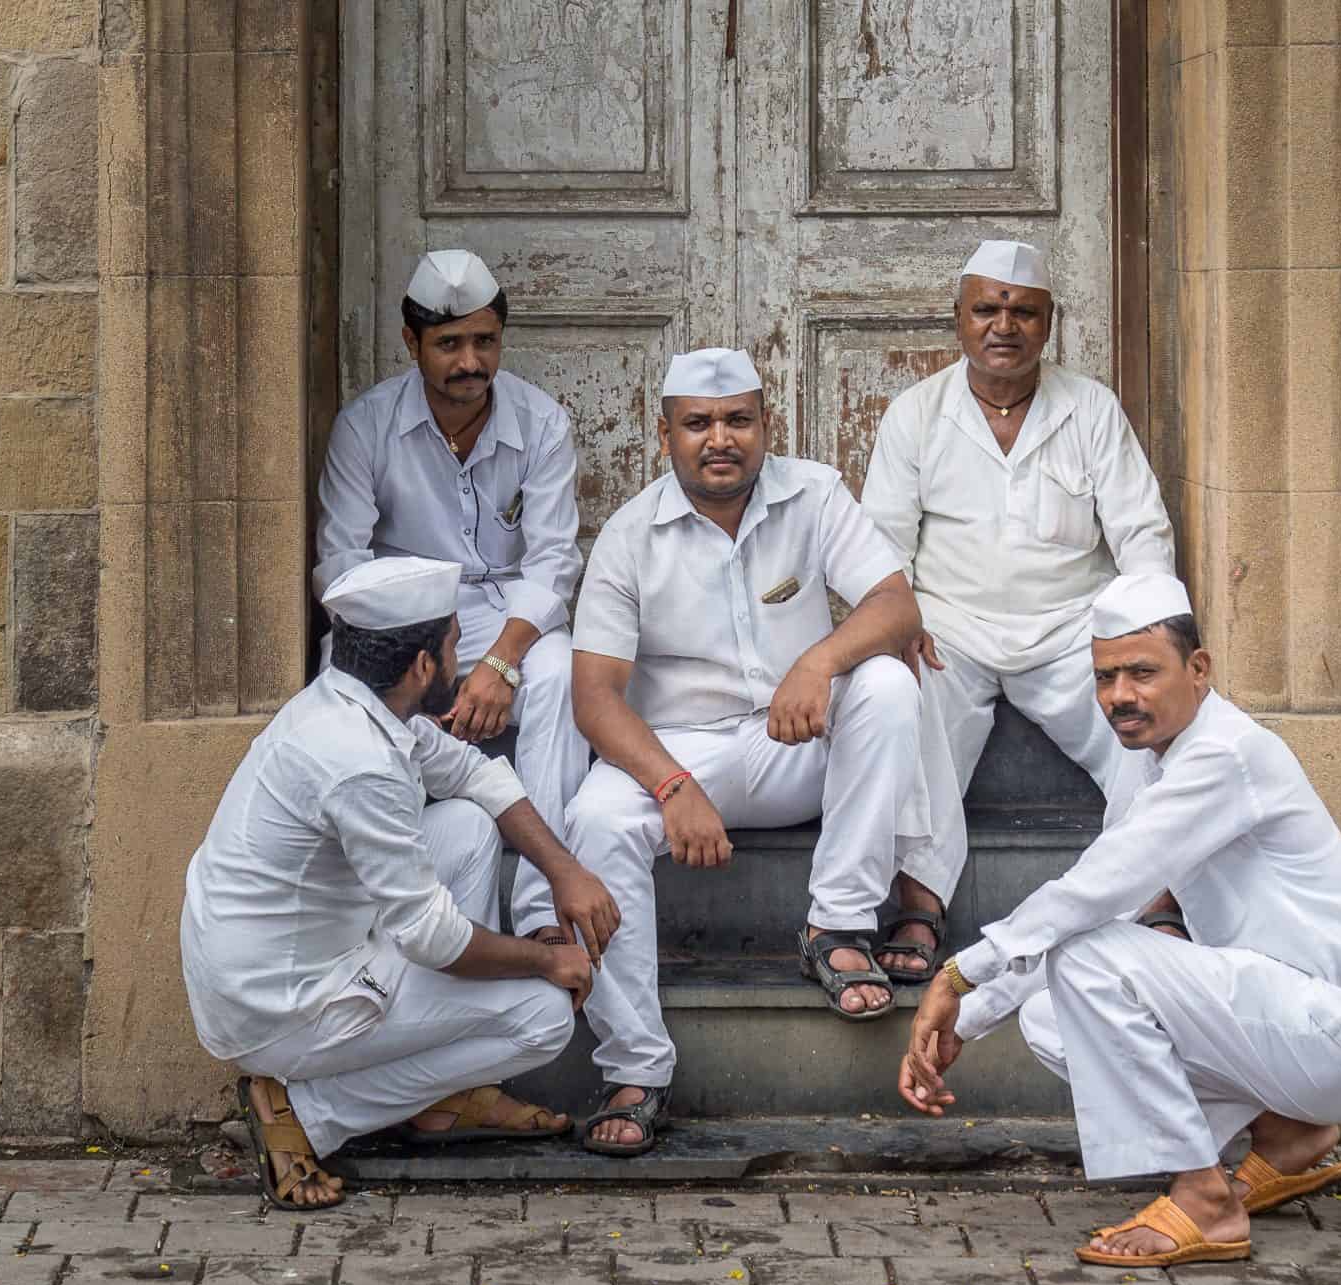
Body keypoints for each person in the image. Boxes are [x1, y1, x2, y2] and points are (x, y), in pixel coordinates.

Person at [900, 573, 1341, 1267]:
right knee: (1054, 1015)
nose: (1119, 696)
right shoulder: (1150, 758)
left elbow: (1095, 893)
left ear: (1198, 669)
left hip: (1333, 1030)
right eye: (1105, 676)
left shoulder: (1225, 754)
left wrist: (958, 974)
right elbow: (1100, 902)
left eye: (1142, 672)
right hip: (1281, 1022)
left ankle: (1205, 1199)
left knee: (1089, 963)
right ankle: (1287, 1134)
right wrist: (974, 1013)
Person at [533, 347, 963, 1156]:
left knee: (890, 685)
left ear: (766, 426)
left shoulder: (813, 492)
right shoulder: (631, 536)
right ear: (666, 437)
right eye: (698, 423)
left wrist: (819, 659)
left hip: (792, 742)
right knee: (594, 817)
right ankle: (634, 1065)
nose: (719, 438)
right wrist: (669, 784)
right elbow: (593, 697)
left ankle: (836, 925)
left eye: (738, 419)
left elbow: (894, 601)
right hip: (680, 755)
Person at [181, 557, 616, 1210]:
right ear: (421, 666)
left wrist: (565, 870)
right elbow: (433, 935)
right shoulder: (360, 762)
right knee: (545, 1015)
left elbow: (474, 774)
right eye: (453, 644)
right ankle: (305, 1109)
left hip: (286, 950)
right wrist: (548, 958)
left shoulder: (356, 701)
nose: (460, 655)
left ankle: (441, 1097)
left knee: (468, 826)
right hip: (278, 1002)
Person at [861, 240, 1175, 983]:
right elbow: (881, 545)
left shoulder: (1090, 408)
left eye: (1023, 311)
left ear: (1048, 323)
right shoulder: (917, 413)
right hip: (949, 631)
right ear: (960, 320)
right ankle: (920, 899)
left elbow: (1142, 532)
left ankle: (1146, 893)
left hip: (1071, 628)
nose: (1005, 325)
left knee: (1153, 717)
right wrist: (898, 623)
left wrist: (1152, 635)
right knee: (905, 699)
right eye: (987, 309)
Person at [313, 250, 592, 950]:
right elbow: (341, 568)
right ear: (412, 344)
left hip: (508, 612)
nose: (470, 361)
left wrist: (499, 663)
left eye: (484, 341)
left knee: (558, 672)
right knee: (341, 683)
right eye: (449, 344)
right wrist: (422, 658)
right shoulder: (364, 426)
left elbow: (554, 560)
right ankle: (379, 891)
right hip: (400, 616)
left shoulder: (542, 422)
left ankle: (539, 905)